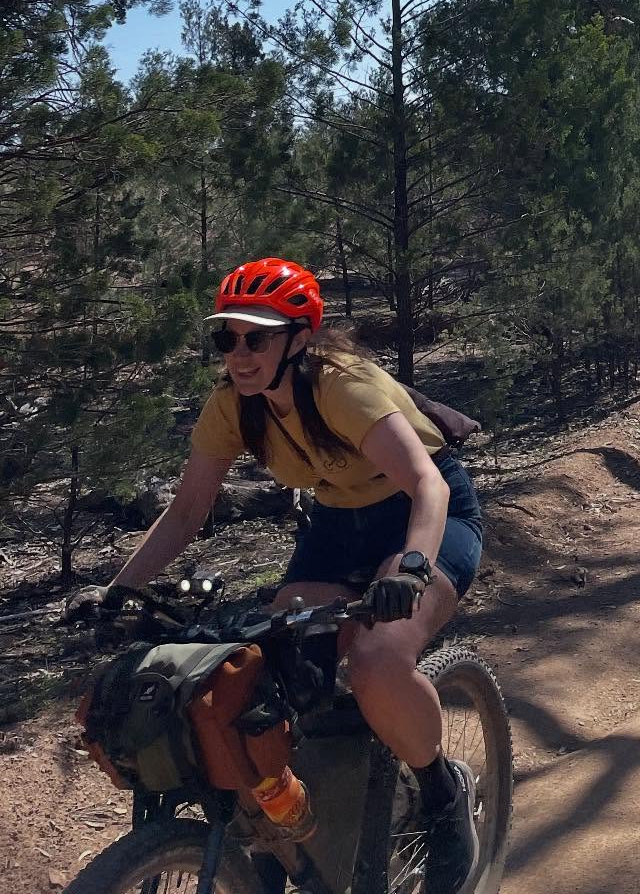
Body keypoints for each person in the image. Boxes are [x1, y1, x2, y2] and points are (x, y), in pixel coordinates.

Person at [104, 257, 485, 894]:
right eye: (228, 338)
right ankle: (292, 828)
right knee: (278, 664)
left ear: (300, 337)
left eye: (258, 336)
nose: (240, 353)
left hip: (422, 515)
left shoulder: (344, 386)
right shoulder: (233, 405)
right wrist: (119, 590)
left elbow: (427, 484)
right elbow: (187, 511)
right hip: (337, 527)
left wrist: (413, 568)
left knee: (378, 661)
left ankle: (441, 792)